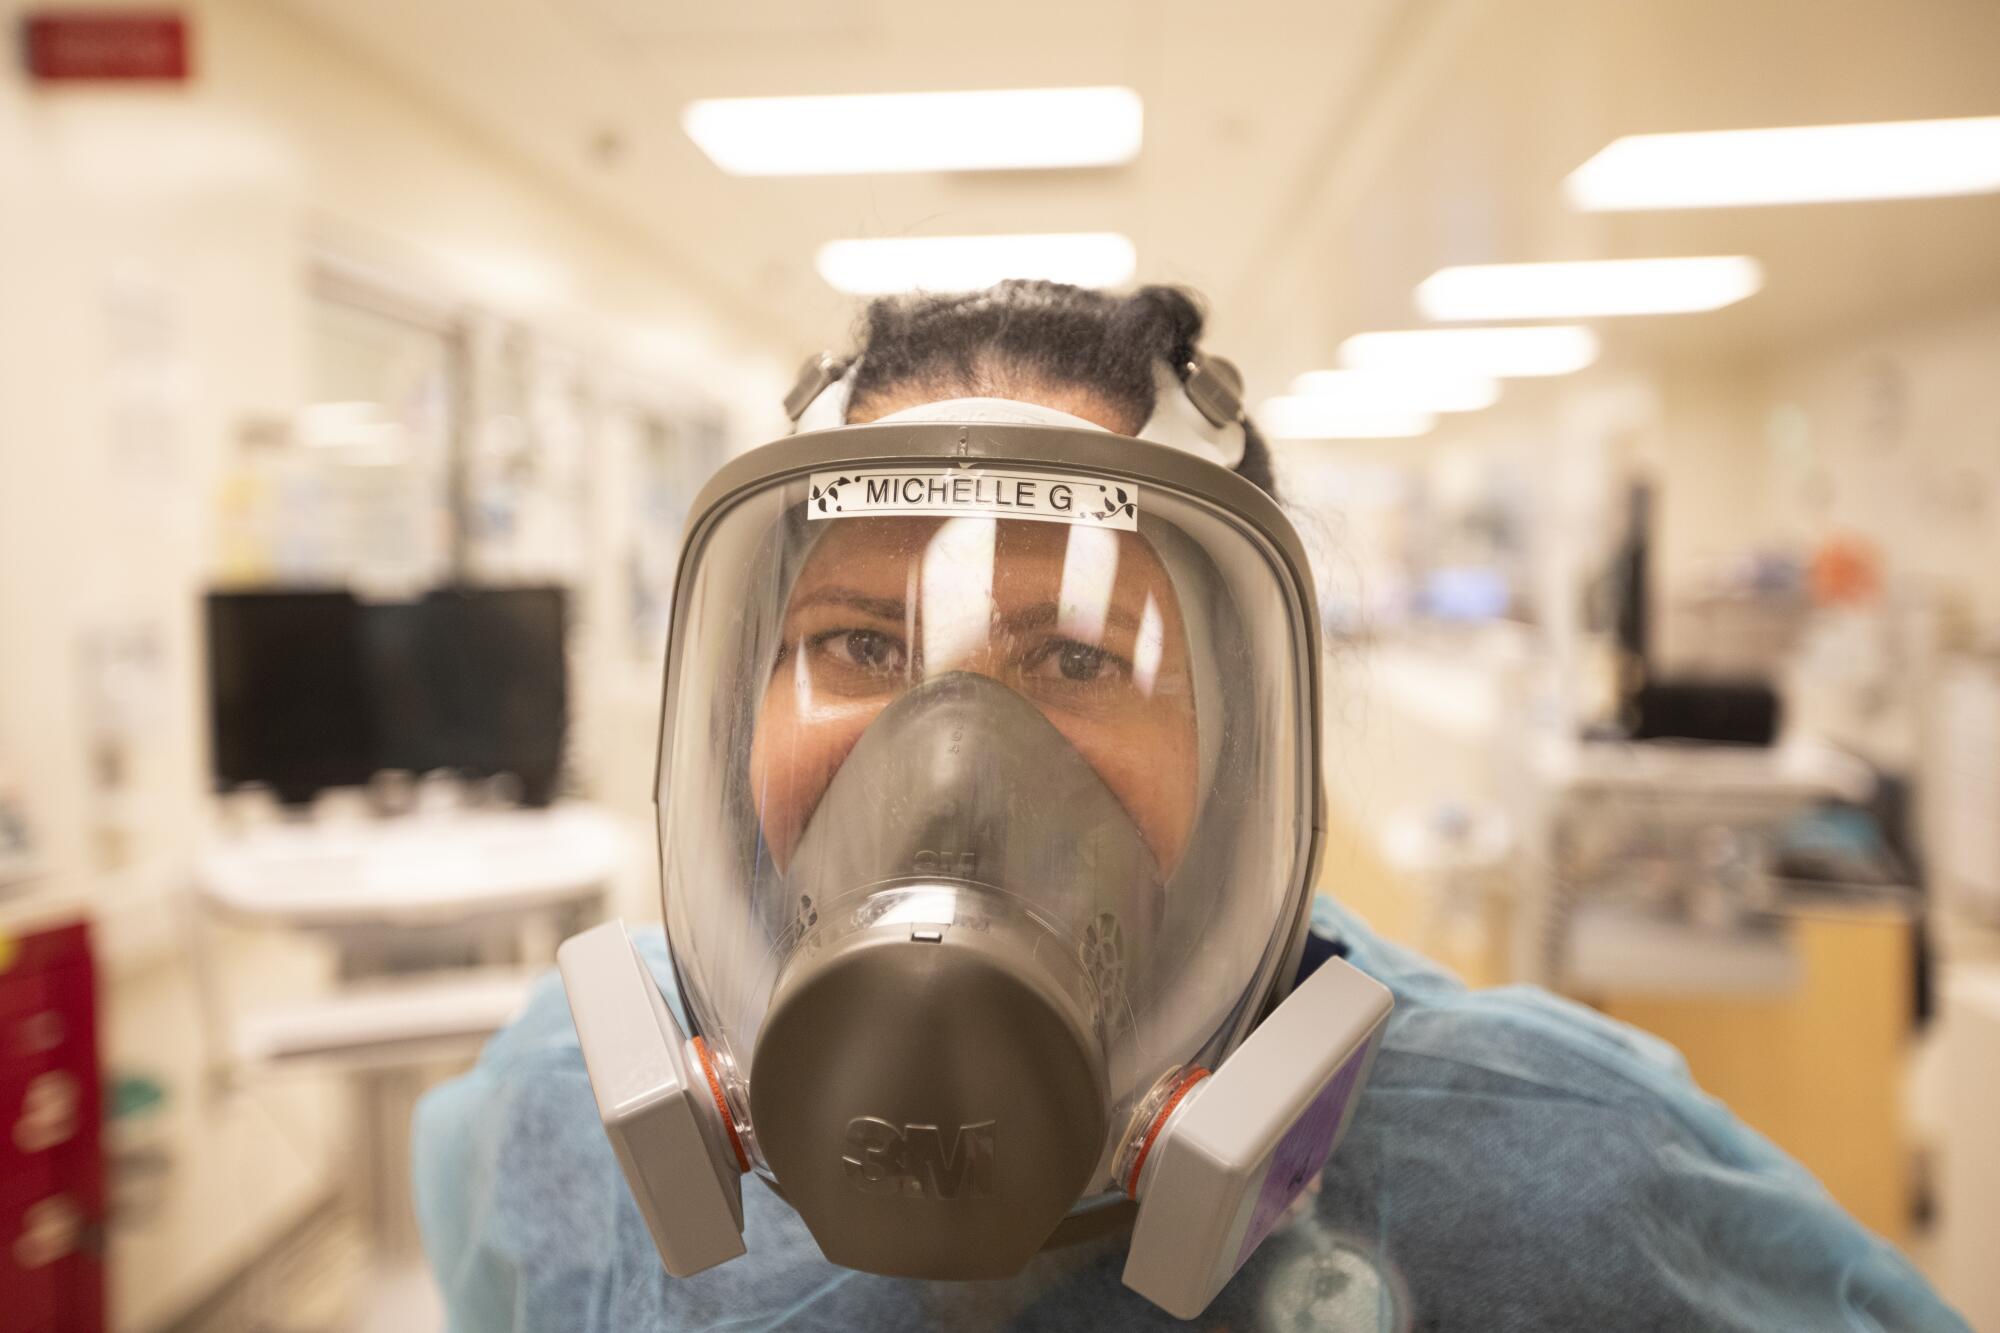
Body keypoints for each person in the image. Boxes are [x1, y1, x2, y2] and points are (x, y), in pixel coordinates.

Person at [413, 281, 1968, 1331]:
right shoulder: (561, 1102)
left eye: (1079, 653)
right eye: (858, 643)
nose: (949, 758)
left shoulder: (1558, 1166)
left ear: (1240, 744)